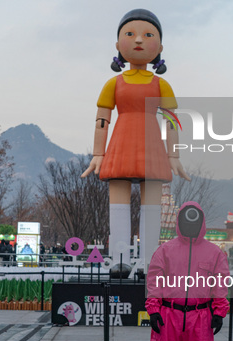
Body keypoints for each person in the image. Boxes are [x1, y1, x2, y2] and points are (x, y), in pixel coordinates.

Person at [81, 9, 189, 272]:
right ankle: (120, 260)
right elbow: (102, 119)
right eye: (130, 34)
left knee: (151, 201)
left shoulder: (161, 85)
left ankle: (149, 260)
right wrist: (99, 153)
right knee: (117, 198)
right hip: (121, 143)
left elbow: (172, 120)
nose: (139, 40)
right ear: (118, 45)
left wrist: (173, 155)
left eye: (147, 35)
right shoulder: (113, 84)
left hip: (152, 146)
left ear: (160, 47)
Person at [146, 202, 230, 341]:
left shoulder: (215, 253)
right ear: (179, 222)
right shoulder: (165, 251)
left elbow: (220, 283)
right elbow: (154, 281)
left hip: (200, 318)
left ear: (201, 223)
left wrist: (219, 311)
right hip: (168, 317)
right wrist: (153, 309)